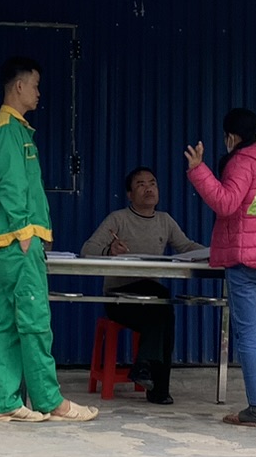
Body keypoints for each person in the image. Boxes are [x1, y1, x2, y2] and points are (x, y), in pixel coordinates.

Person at [0, 55, 98, 424]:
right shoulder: (7, 130)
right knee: (33, 320)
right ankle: (50, 400)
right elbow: (11, 185)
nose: (38, 93)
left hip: (13, 241)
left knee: (8, 322)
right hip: (19, 240)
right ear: (19, 86)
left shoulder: (11, 129)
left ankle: (5, 401)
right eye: (34, 85)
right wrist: (25, 230)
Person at [80, 168, 202, 405]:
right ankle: (157, 388)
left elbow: (186, 247)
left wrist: (216, 253)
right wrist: (109, 251)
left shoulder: (165, 220)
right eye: (140, 184)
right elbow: (87, 249)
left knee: (162, 309)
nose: (148, 189)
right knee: (163, 304)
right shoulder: (118, 219)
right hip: (120, 298)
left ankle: (147, 372)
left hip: (151, 301)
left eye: (152, 183)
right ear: (129, 194)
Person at [186, 107, 256, 427]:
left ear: (232, 136)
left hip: (243, 259)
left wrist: (199, 170)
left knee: (248, 335)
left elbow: (226, 203)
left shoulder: (241, 161)